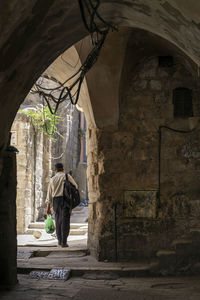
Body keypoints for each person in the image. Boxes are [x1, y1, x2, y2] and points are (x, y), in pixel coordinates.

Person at [45, 163, 78, 247]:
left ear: (55, 170)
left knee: (58, 220)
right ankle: (64, 241)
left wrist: (48, 208)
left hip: (56, 201)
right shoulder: (66, 176)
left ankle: (59, 240)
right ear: (63, 169)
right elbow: (75, 186)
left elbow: (49, 194)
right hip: (65, 200)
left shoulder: (52, 179)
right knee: (65, 221)